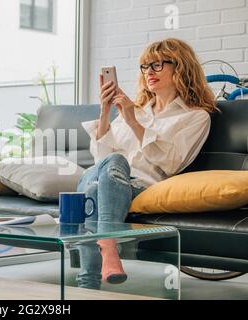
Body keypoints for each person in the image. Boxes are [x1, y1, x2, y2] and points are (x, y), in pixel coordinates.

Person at [76, 38, 219, 289]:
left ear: (181, 67)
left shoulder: (195, 117)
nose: (149, 72)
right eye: (145, 66)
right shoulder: (136, 109)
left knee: (92, 191)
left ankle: (87, 285)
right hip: (102, 175)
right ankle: (109, 248)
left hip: (141, 186)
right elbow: (102, 159)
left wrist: (132, 120)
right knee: (110, 166)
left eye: (158, 65)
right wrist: (104, 111)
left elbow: (172, 164)